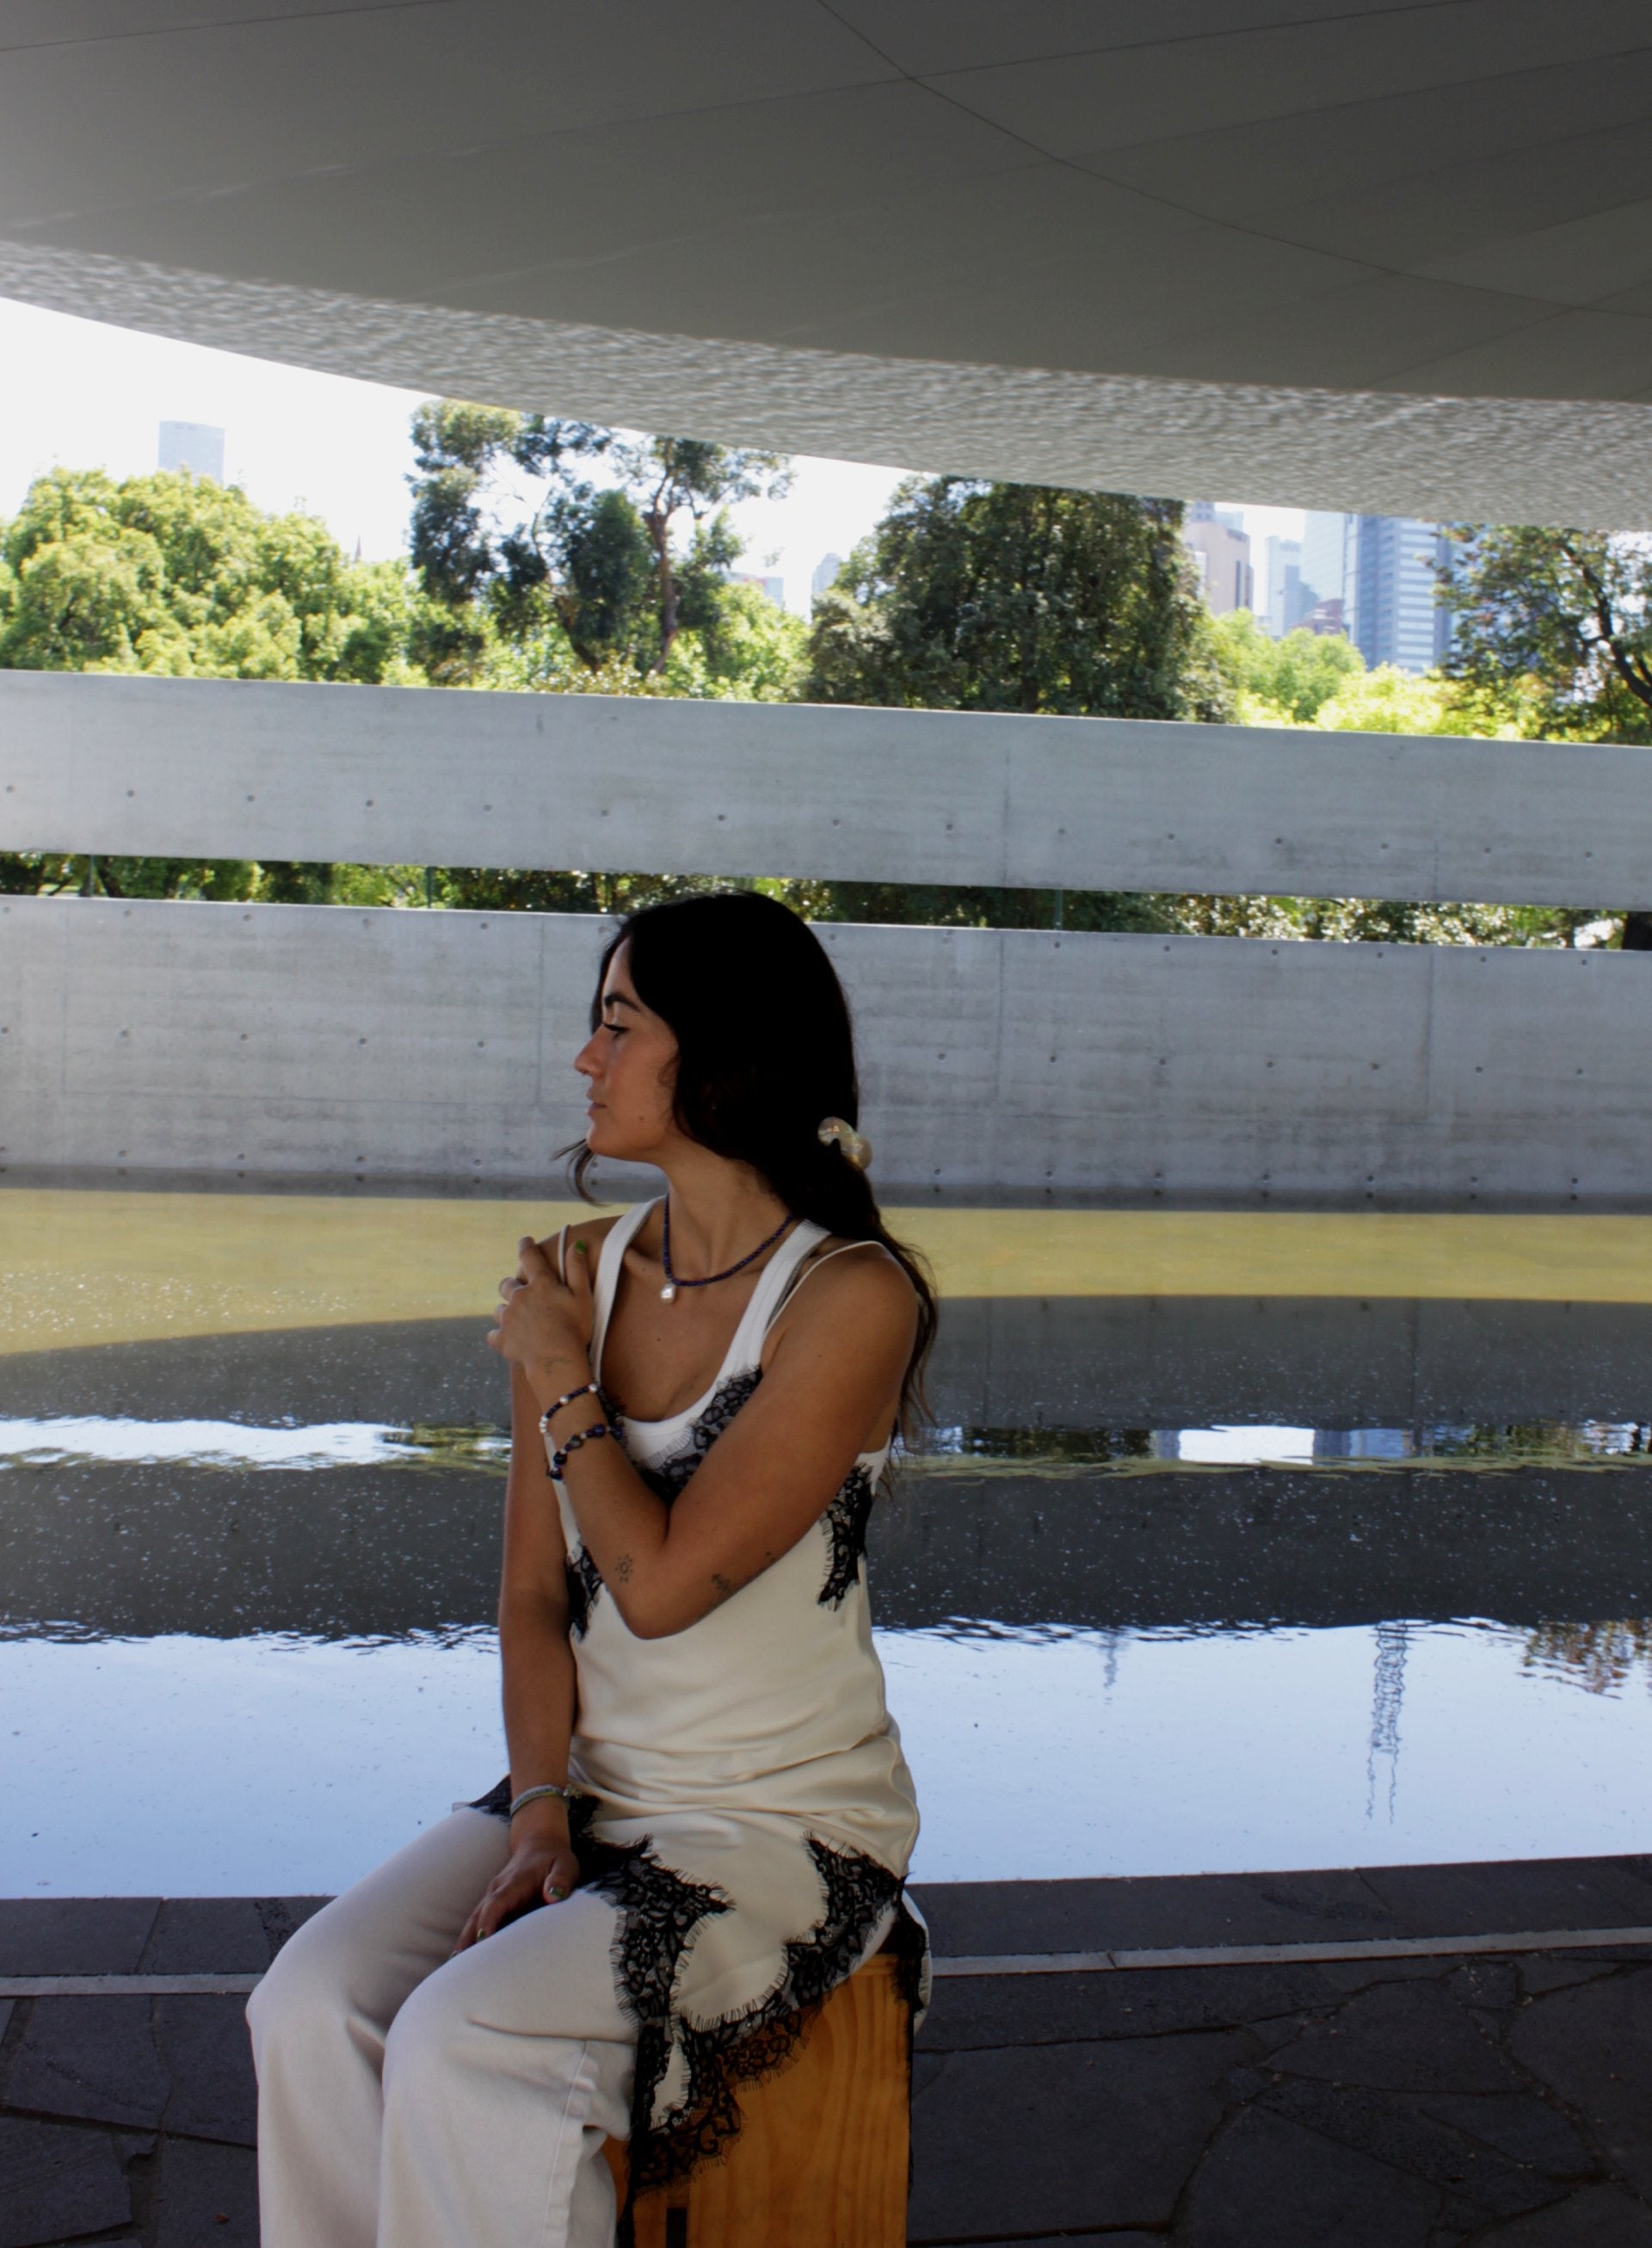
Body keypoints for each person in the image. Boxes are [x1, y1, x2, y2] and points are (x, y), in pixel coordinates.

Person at [247, 890, 937, 2248]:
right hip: (587, 1794)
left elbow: (661, 1586)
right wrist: (541, 1813)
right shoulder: (577, 1269)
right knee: (310, 2004)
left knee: (463, 2040)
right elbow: (529, 1597)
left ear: (722, 1053)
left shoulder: (851, 1297)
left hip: (777, 1825)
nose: (585, 1060)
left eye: (618, 1024)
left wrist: (561, 1377)